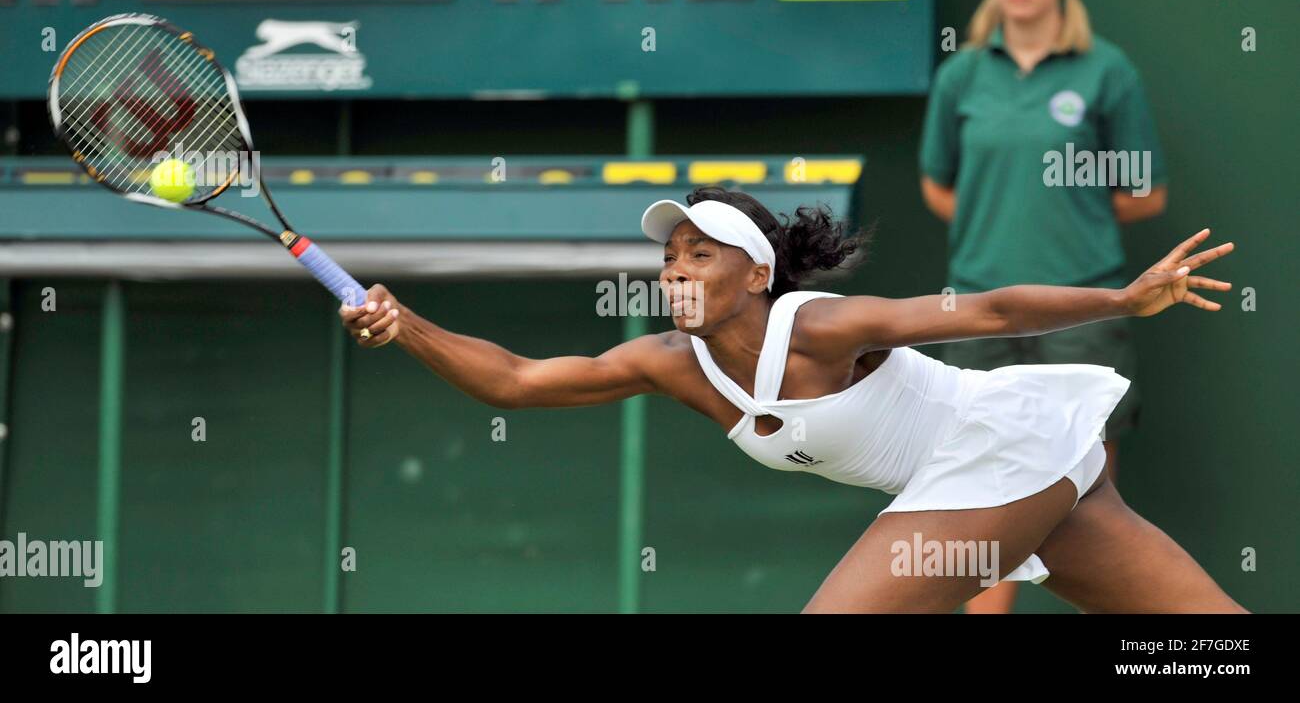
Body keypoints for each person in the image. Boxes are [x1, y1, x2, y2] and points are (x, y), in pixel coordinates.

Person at [340, 186, 1243, 614]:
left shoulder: (819, 326)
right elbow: (516, 381)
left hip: (997, 447)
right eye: (668, 257)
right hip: (1029, 479)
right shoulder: (670, 362)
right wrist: (405, 325)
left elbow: (992, 309)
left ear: (758, 273)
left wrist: (1125, 299)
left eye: (702, 253)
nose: (676, 269)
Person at [920, 0, 1168, 612]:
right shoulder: (961, 75)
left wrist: (1067, 222)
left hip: (1085, 305)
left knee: (1089, 495)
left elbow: (1145, 194)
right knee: (981, 490)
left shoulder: (1107, 70)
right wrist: (1000, 227)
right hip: (979, 308)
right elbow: (937, 185)